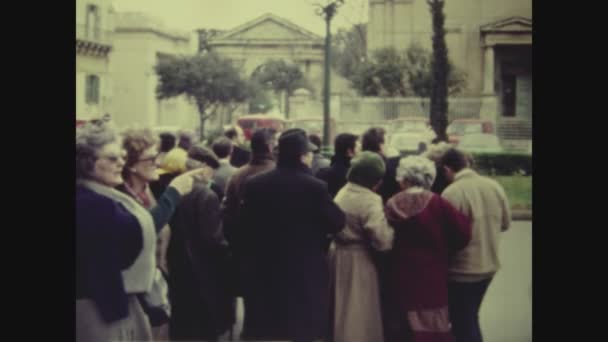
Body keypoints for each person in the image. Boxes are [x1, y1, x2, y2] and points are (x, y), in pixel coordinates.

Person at [76, 119, 208, 342]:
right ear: (87, 162)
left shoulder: (141, 192)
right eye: (112, 158)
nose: (119, 162)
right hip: (103, 306)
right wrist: (173, 194)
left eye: (122, 157)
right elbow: (132, 236)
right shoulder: (96, 202)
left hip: (146, 298)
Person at [237, 128, 346, 341]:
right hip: (304, 268)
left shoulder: (255, 184)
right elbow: (337, 222)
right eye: (309, 152)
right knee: (302, 326)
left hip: (265, 267)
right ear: (302, 156)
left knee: (270, 327)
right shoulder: (315, 187)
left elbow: (244, 226)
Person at [384, 155, 472, 342]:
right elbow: (463, 233)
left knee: (402, 323)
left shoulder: (392, 204)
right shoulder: (439, 203)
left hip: (401, 272)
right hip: (433, 273)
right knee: (431, 325)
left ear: (404, 179)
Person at [440, 148, 511, 342]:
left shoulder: (451, 192)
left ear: (447, 169)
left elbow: (446, 236)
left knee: (462, 321)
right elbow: (505, 223)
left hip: (462, 270)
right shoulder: (494, 186)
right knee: (470, 316)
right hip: (489, 265)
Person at [166, 145, 236, 341]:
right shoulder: (206, 195)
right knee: (204, 327)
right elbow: (213, 238)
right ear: (204, 168)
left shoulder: (174, 189)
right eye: (211, 171)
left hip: (179, 267)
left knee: (183, 325)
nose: (211, 176)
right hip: (203, 272)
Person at [330, 151, 394, 342]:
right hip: (359, 260)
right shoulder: (370, 199)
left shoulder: (344, 191)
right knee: (358, 310)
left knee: (340, 307)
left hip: (337, 255)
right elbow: (382, 239)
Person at [116, 128, 171, 338]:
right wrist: (174, 194)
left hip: (155, 288)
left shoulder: (145, 191)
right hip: (135, 297)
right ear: (131, 165)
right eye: (151, 158)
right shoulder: (120, 199)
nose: (158, 162)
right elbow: (147, 228)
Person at [361, 127, 401, 203]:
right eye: (388, 142)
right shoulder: (389, 166)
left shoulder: (361, 164)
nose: (389, 146)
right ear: (381, 146)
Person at [316, 133, 359, 198]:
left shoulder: (322, 173)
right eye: (358, 148)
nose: (361, 152)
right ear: (349, 151)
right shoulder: (353, 177)